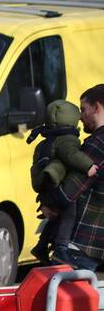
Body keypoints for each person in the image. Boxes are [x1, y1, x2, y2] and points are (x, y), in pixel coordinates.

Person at [28, 100, 95, 264]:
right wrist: (89, 166)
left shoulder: (44, 142)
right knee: (69, 215)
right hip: (58, 186)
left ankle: (41, 245)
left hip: (45, 187)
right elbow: (71, 155)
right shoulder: (66, 140)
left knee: (55, 217)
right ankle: (61, 248)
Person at [51, 84, 104, 272]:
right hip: (98, 242)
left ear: (97, 107)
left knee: (63, 298)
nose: (80, 117)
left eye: (83, 109)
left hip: (82, 242)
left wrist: (50, 205)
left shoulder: (98, 142)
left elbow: (71, 189)